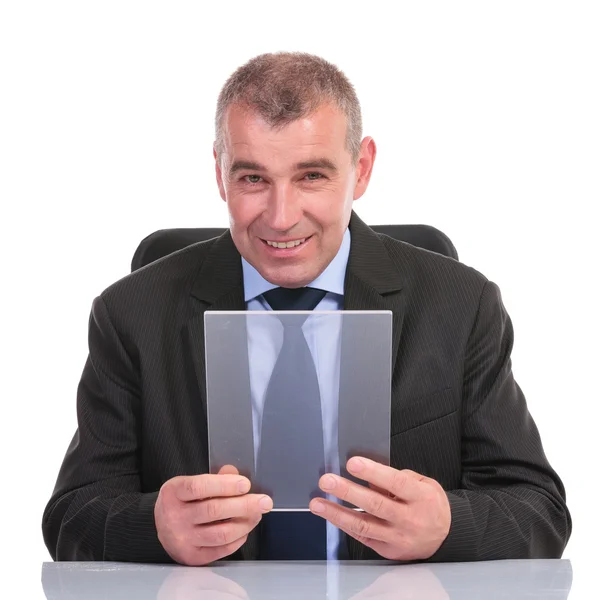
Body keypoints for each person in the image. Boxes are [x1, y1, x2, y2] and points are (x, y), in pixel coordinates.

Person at [42, 51, 571, 565]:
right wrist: (153, 527)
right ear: (220, 173)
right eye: (253, 178)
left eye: (311, 176)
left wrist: (448, 524)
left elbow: (540, 510)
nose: (280, 216)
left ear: (361, 169)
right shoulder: (131, 313)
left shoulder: (461, 306)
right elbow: (71, 517)